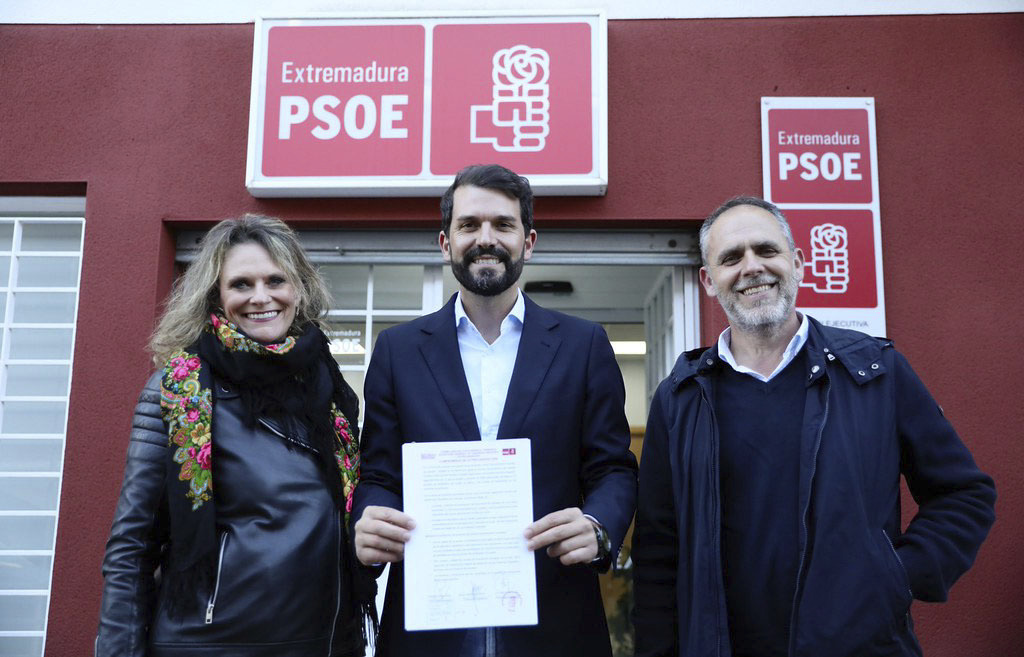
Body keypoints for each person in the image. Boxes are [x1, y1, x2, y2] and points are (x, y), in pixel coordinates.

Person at [632, 196, 996, 657]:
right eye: (731, 257)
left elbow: (964, 494)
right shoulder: (680, 398)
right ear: (708, 280)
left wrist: (896, 576)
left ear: (799, 264)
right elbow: (658, 551)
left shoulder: (875, 371)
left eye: (767, 250)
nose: (752, 267)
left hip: (859, 646)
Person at [352, 164, 638, 657]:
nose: (486, 238)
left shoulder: (583, 345)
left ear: (528, 242)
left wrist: (598, 525)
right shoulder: (398, 351)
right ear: (446, 244)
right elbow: (379, 472)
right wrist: (369, 519)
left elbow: (612, 467)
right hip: (429, 627)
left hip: (555, 621)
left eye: (503, 224)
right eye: (469, 225)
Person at [96, 216, 374, 656]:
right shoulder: (180, 390)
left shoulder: (331, 389)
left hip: (322, 643)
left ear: (299, 289)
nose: (261, 297)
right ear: (216, 296)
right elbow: (132, 547)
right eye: (241, 284)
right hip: (208, 644)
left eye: (275, 280)